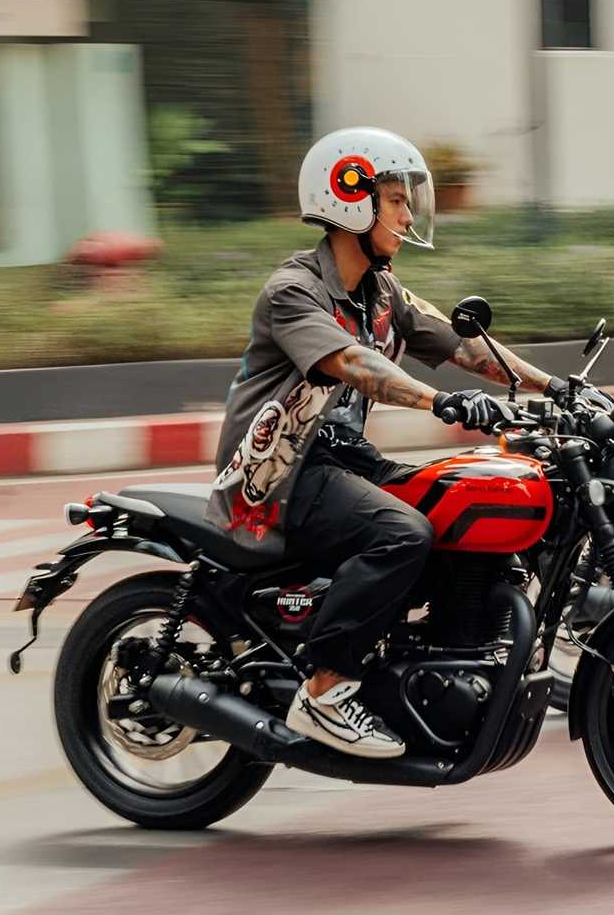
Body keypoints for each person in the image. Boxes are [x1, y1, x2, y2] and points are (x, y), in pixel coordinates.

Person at [205, 126, 559, 758]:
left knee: (453, 506)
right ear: (349, 202)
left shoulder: (380, 290)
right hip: (278, 475)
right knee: (402, 533)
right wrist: (439, 400)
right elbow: (354, 366)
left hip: (344, 459)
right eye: (394, 200)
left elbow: (462, 343)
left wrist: (551, 386)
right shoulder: (295, 291)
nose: (406, 213)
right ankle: (326, 686)